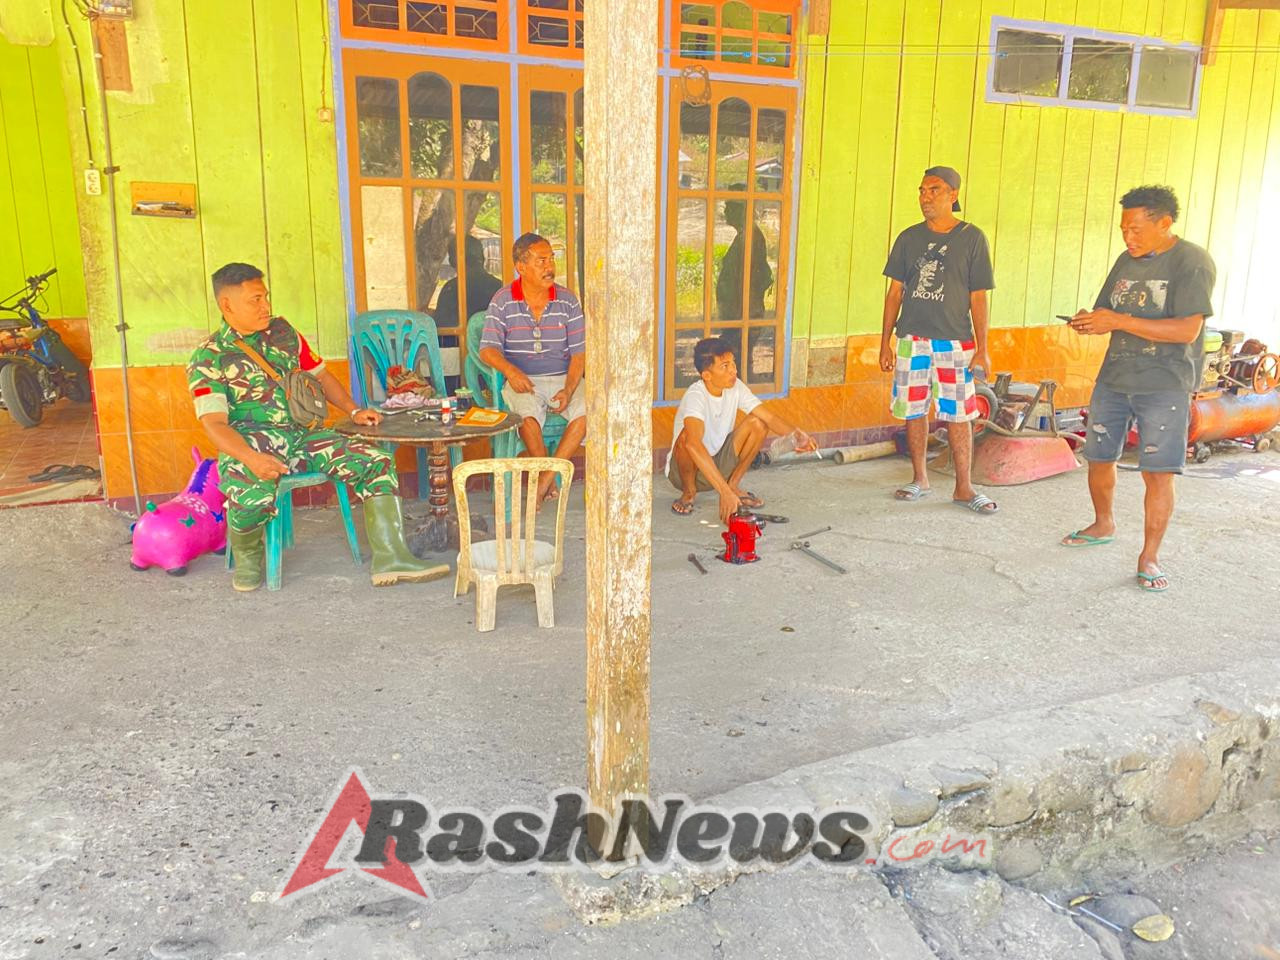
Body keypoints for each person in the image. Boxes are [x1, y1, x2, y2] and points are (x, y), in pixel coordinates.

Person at [188, 262, 447, 592]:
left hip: (303, 436)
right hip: (252, 445)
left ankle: (392, 558)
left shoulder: (284, 334)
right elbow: (214, 424)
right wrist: (251, 459)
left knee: (375, 459)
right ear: (227, 305)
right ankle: (248, 553)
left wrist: (353, 410)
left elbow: (321, 376)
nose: (265, 305)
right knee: (250, 499)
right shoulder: (209, 357)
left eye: (265, 297)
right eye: (255, 299)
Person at [1062, 185, 1216, 593]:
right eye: (1123, 230)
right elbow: (1108, 312)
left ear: (1164, 223)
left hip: (1164, 384)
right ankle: (1103, 523)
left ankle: (1149, 555)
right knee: (1098, 456)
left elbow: (1188, 329)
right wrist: (1089, 320)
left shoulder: (1192, 262)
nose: (1128, 238)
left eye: (1136, 229)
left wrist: (1119, 321)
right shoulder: (1125, 262)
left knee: (1158, 473)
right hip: (1115, 376)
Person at [879, 165, 997, 514]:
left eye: (934, 190)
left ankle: (964, 487)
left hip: (955, 342)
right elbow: (894, 293)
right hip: (912, 339)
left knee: (960, 413)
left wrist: (983, 349)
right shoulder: (908, 238)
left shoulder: (972, 238)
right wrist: (883, 342)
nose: (925, 197)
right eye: (922, 190)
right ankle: (920, 478)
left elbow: (978, 297)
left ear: (953, 195)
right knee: (913, 409)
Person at [479, 233, 586, 505]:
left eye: (551, 259)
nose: (550, 267)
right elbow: (488, 349)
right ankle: (547, 482)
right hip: (524, 380)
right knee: (527, 418)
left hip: (564, 376)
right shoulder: (503, 300)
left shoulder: (568, 300)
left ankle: (543, 483)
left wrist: (570, 388)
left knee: (587, 412)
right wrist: (512, 373)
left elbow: (579, 354)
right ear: (521, 267)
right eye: (541, 260)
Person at [668, 336, 816, 524]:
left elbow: (769, 417)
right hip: (685, 474)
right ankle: (689, 494)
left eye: (733, 363)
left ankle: (733, 485)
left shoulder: (736, 387)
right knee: (687, 437)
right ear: (707, 375)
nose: (734, 370)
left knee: (759, 422)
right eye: (725, 366)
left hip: (719, 463)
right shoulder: (695, 396)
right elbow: (693, 445)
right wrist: (724, 494)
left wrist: (799, 437)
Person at [715, 193, 773, 320]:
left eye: (729, 207)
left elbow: (749, 278)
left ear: (740, 210)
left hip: (742, 316)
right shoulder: (746, 235)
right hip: (738, 315)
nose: (725, 211)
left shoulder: (750, 237)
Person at [433, 234, 504, 332]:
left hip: (458, 346)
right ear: (483, 258)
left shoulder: (451, 289)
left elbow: (443, 332)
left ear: (452, 261)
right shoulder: (500, 288)